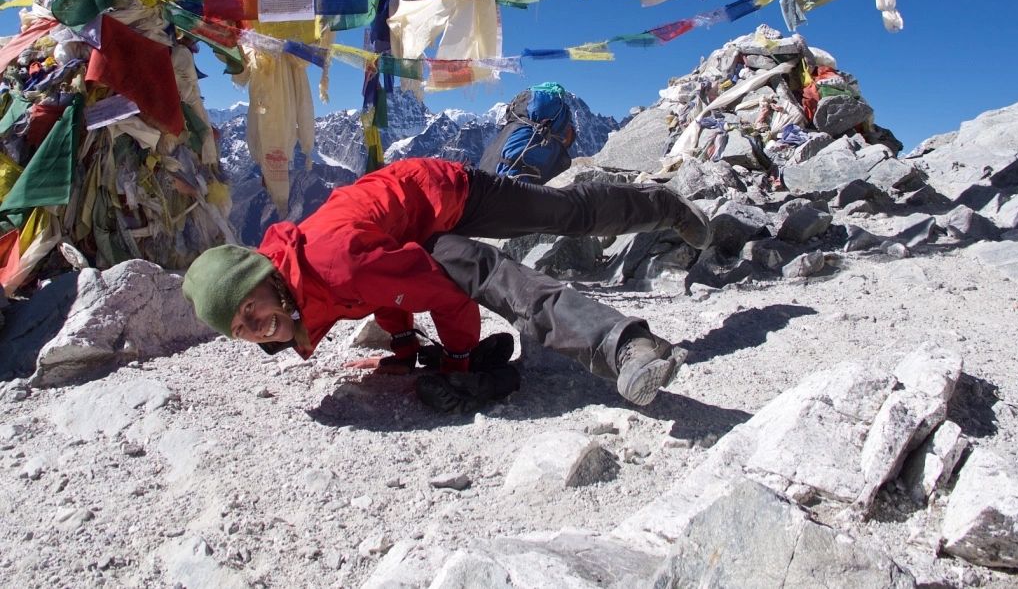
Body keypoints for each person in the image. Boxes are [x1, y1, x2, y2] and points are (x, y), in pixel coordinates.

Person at [181, 157, 712, 412]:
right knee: (489, 274)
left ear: (264, 279)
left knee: (564, 215)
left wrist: (458, 362)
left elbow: (429, 293)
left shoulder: (330, 264)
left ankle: (659, 204)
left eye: (248, 309)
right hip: (404, 233)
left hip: (446, 193)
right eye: (239, 329)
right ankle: (624, 347)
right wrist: (405, 350)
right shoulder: (297, 293)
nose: (253, 328)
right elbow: (376, 291)